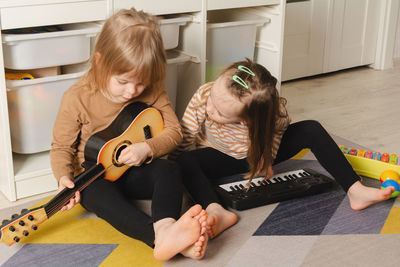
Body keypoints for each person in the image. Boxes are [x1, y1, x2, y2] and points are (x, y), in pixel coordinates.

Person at [173, 58, 395, 239]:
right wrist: (171, 169)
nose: (210, 109)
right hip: (220, 154)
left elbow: (276, 134)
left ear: (246, 121)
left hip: (257, 151)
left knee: (311, 128)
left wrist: (266, 158)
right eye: (212, 100)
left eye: (220, 113)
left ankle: (355, 190)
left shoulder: (273, 116)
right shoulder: (205, 96)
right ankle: (216, 209)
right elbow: (186, 134)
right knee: (185, 162)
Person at [50, 8, 208, 261]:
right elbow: (61, 148)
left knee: (170, 170)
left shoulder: (153, 87)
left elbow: (174, 132)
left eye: (140, 83)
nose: (132, 91)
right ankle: (159, 239)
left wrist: (147, 148)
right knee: (100, 199)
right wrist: (63, 179)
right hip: (96, 176)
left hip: (135, 170)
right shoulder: (76, 97)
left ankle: (166, 229)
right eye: (123, 82)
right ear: (100, 62)